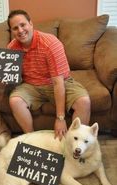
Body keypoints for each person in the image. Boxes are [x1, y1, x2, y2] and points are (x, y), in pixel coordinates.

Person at [7, 10, 91, 139]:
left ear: (31, 24)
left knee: (83, 102)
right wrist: (1, 79)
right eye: (15, 28)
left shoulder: (50, 44)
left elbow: (58, 82)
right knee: (15, 101)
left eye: (23, 25)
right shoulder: (12, 48)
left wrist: (60, 118)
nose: (20, 30)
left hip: (57, 82)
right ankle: (31, 139)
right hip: (31, 85)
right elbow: (12, 76)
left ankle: (76, 141)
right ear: (11, 31)